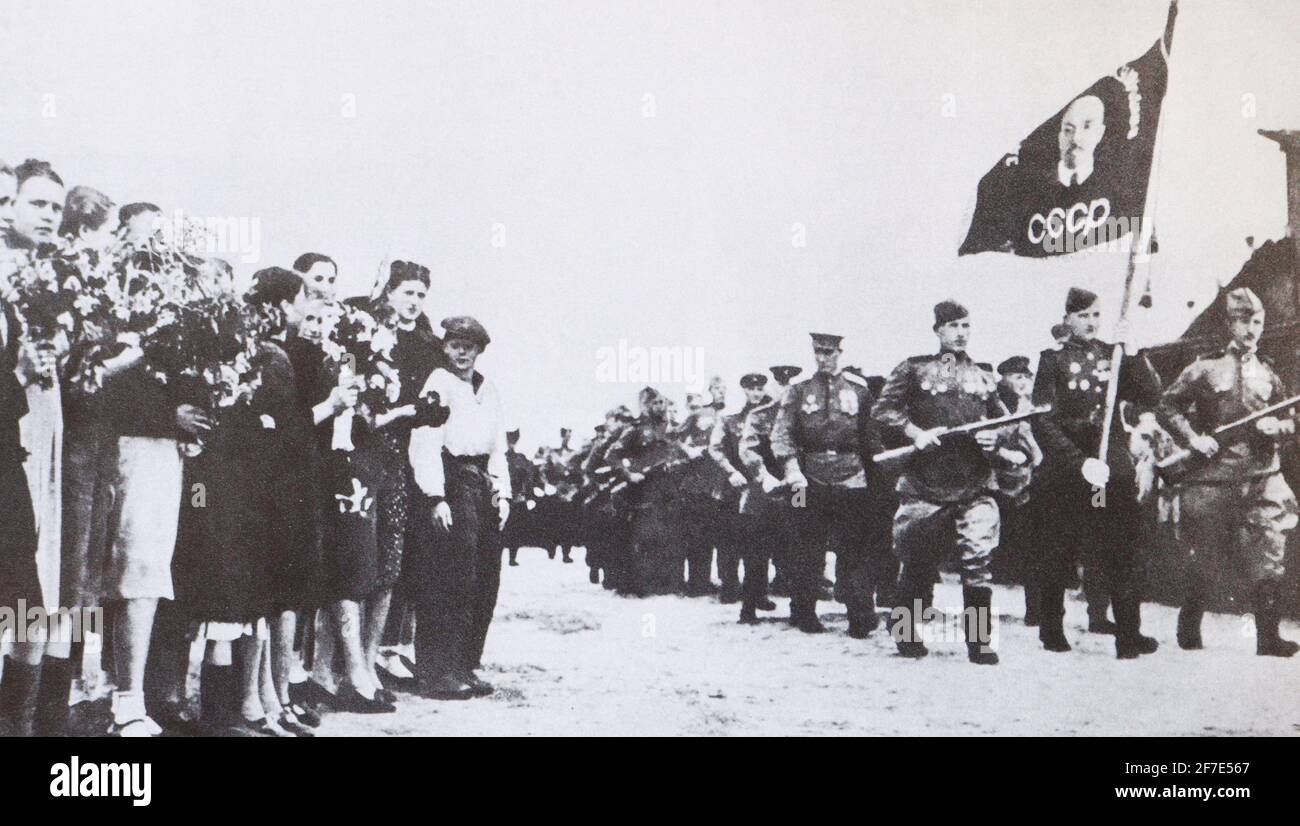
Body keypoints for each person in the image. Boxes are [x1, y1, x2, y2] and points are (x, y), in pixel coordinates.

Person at [873, 301, 1030, 664]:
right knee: (916, 558)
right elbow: (883, 411)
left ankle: (979, 642)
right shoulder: (914, 369)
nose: (961, 332)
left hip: (973, 482)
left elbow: (1007, 423)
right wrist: (915, 432)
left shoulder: (983, 377)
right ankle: (906, 633)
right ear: (938, 331)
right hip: (925, 483)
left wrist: (997, 438)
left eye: (966, 325)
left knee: (978, 560)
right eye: (953, 326)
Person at [1156, 287, 1299, 657]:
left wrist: (1278, 428)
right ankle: (1189, 625)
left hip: (1262, 476)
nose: (1251, 329)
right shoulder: (1204, 367)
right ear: (1228, 324)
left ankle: (1268, 638)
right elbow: (1167, 407)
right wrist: (1192, 439)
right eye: (1242, 321)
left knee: (1270, 553)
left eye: (1257, 322)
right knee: (1205, 557)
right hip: (1213, 478)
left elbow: (1290, 417)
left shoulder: (1268, 371)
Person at [1031, 286, 1162, 659]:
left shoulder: (1114, 355)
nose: (1091, 323)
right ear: (1067, 319)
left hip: (1108, 472)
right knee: (1060, 548)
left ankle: (1128, 634)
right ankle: (1052, 628)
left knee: (1121, 548)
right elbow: (1044, 421)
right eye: (1083, 316)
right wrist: (1079, 461)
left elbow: (1151, 394)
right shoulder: (1052, 361)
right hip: (1071, 472)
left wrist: (1133, 353)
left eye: (1095, 316)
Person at [408, 316, 510, 700]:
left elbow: (499, 444)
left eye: (469, 346)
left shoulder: (489, 389)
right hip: (451, 481)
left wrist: (503, 491)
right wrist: (435, 496)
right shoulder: (438, 382)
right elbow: (425, 441)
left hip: (481, 482)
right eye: (454, 344)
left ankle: (465, 663)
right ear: (444, 347)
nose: (461, 352)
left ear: (480, 349)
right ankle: (437, 671)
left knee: (483, 577)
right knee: (448, 577)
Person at [771, 332, 880, 635]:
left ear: (840, 352)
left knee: (854, 547)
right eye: (818, 352)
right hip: (807, 479)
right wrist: (792, 469)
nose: (823, 358)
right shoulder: (798, 390)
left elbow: (871, 437)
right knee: (805, 546)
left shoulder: (859, 391)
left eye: (829, 352)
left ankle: (859, 614)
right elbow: (781, 433)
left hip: (851, 476)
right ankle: (803, 611)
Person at [0, 270, 44, 736]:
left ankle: (17, 727)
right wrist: (20, 377)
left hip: (7, 471)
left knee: (26, 612)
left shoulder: (11, 304)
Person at [604, 386, 690, 596]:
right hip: (644, 490)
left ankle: (669, 584)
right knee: (644, 537)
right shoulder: (635, 429)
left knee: (670, 535)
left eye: (662, 402)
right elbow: (611, 455)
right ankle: (640, 585)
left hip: (668, 488)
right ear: (645, 405)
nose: (660, 407)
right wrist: (628, 474)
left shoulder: (671, 428)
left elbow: (679, 452)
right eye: (655, 403)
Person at [708, 373, 771, 604]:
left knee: (759, 539)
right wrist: (730, 472)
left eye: (760, 389)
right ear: (744, 390)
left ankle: (758, 594)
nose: (757, 393)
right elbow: (715, 449)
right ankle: (729, 587)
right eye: (752, 389)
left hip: (758, 485)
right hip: (731, 486)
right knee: (729, 539)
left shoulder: (768, 416)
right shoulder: (729, 418)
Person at [991, 356, 1044, 626]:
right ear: (1004, 378)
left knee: (1032, 547)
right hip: (991, 480)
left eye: (1027, 376)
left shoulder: (1033, 405)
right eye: (1017, 377)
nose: (1024, 382)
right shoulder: (992, 403)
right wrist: (1005, 454)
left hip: (1025, 483)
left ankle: (1035, 610)